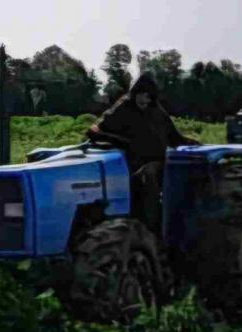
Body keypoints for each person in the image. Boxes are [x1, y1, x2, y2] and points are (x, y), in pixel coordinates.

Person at [86, 72, 200, 231]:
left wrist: (194, 144)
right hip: (134, 164)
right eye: (142, 95)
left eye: (149, 97)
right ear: (135, 93)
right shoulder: (123, 108)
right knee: (148, 174)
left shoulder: (156, 111)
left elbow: (174, 136)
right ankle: (149, 228)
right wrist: (122, 142)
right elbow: (95, 131)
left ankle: (175, 223)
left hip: (162, 161)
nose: (145, 100)